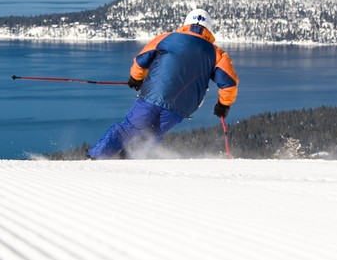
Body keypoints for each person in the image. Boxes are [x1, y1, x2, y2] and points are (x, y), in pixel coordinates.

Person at [87, 9, 238, 159]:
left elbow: (141, 61)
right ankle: (128, 159)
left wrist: (136, 78)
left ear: (186, 23)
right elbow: (229, 84)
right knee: (152, 135)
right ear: (209, 29)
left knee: (129, 129)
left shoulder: (166, 38)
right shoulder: (217, 54)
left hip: (152, 96)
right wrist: (223, 105)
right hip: (182, 107)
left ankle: (95, 158)